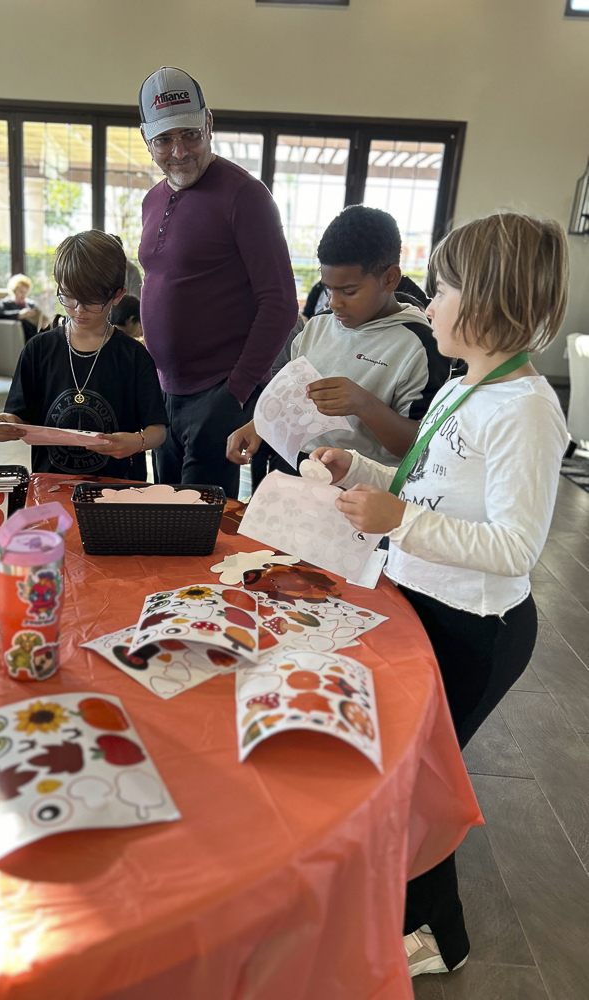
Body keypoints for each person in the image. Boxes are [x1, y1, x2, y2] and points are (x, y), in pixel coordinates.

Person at [311, 212, 569, 978]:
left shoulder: (525, 410)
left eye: (447, 286)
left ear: (489, 301)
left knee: (420, 776)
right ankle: (409, 910)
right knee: (409, 768)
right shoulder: (465, 388)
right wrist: (361, 476)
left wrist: (402, 519)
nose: (430, 303)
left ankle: (432, 934)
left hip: (476, 628)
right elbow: (425, 489)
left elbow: (515, 548)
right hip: (419, 603)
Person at [137, 66, 297, 498]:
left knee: (200, 526)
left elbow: (280, 302)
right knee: (164, 506)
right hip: (165, 390)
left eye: (190, 134)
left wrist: (237, 390)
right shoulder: (153, 199)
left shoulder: (246, 196)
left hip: (218, 391)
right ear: (146, 139)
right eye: (164, 140)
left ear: (209, 123)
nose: (179, 151)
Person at [227, 205, 453, 475]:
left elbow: (419, 446)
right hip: (297, 471)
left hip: (361, 488)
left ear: (390, 278)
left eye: (349, 291)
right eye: (328, 289)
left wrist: (364, 404)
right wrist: (260, 425)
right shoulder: (318, 326)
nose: (335, 303)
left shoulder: (421, 345)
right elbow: (296, 397)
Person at [0, 230, 167, 481]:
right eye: (68, 296)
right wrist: (5, 424)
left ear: (117, 295)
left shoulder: (134, 356)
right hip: (51, 486)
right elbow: (18, 415)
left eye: (91, 301)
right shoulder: (38, 350)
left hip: (117, 490)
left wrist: (136, 442)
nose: (78, 310)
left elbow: (157, 430)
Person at [0, 274, 43, 342]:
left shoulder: (31, 304)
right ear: (14, 290)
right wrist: (20, 315)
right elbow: (1, 315)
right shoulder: (5, 303)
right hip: (16, 335)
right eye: (21, 292)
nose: (24, 295)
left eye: (26, 292)